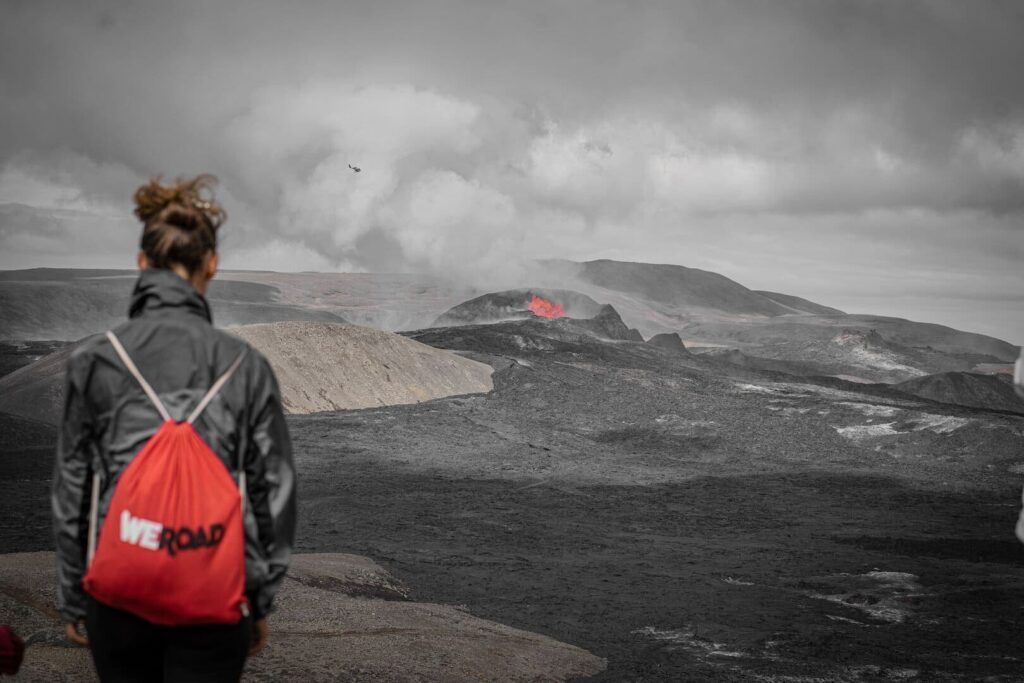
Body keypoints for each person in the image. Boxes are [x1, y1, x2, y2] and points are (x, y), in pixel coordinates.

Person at [52, 174, 296, 682]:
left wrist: (76, 594)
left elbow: (74, 486)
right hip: (212, 599)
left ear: (142, 264)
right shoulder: (245, 366)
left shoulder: (97, 359)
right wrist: (258, 599)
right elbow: (272, 491)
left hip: (118, 595)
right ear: (212, 264)